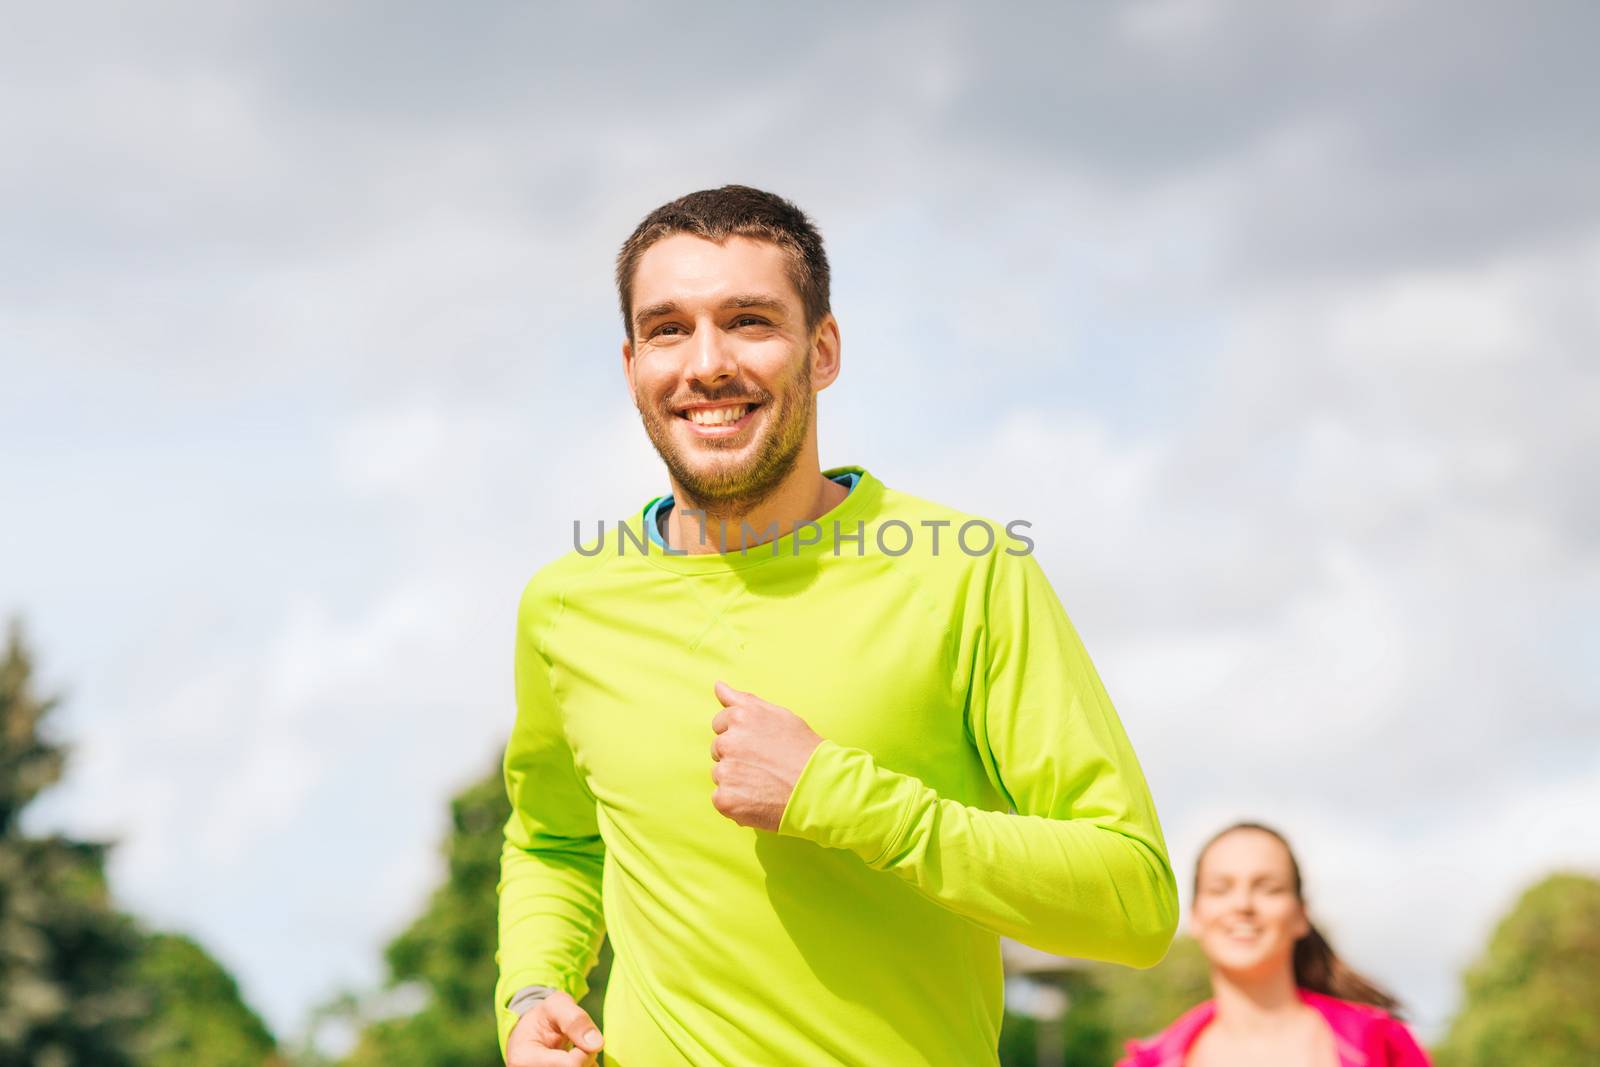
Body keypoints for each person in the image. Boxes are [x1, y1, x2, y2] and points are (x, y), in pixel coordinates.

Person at [495, 184, 1179, 1066]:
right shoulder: (565, 605)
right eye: (669, 329)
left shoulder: (966, 571)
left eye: (749, 320)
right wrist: (534, 986)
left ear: (822, 350)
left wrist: (842, 798)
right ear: (631, 365)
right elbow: (555, 837)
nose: (706, 363)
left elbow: (1134, 904)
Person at [1119, 822, 1431, 1067]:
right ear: (1195, 916)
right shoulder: (1149, 1062)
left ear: (1300, 915)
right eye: (1220, 889)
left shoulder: (1381, 1044)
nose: (1242, 904)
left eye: (1268, 888)